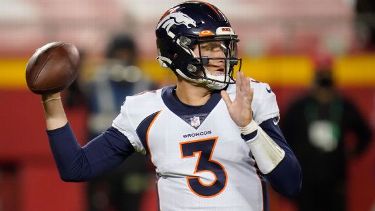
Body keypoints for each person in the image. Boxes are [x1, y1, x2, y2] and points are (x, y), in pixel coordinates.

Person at [40, 2, 302, 210]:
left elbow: (290, 183)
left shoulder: (248, 96)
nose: (222, 56)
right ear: (178, 52)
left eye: (224, 47)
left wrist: (249, 127)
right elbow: (77, 167)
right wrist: (51, 97)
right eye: (209, 47)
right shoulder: (144, 110)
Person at [282, 68, 372, 211]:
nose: (324, 92)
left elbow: (365, 134)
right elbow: (283, 136)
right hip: (306, 180)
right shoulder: (298, 108)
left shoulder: (344, 106)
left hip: (335, 179)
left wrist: (352, 153)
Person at [84, 34, 156, 211]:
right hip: (100, 159)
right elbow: (71, 101)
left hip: (134, 161)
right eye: (119, 55)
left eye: (126, 55)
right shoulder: (94, 82)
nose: (122, 60)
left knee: (131, 206)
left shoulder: (148, 82)